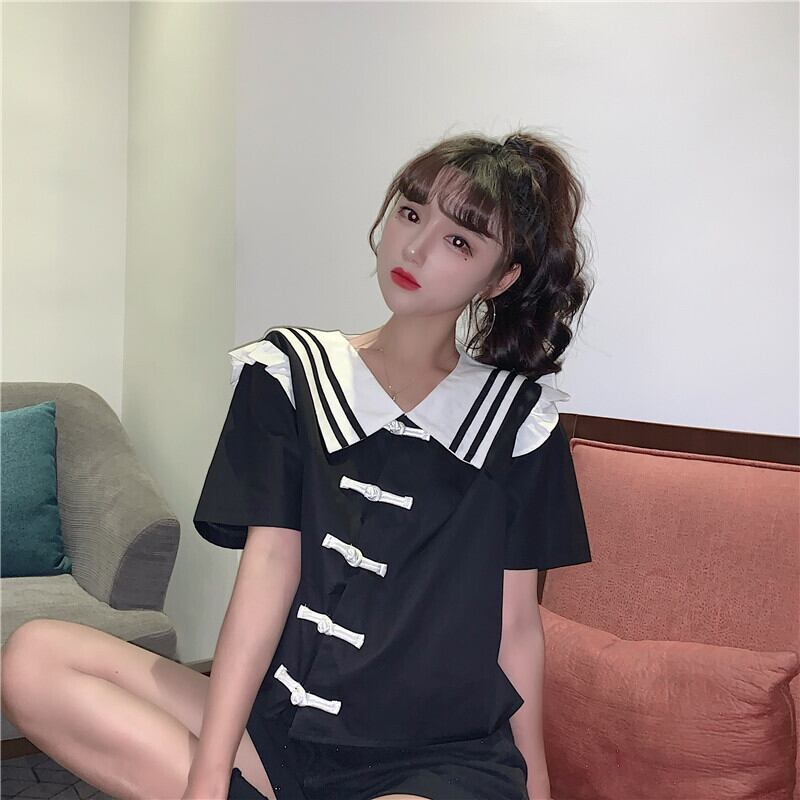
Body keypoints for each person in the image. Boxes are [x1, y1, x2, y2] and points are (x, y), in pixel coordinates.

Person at [0, 128, 593, 800]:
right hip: (281, 733)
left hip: (436, 756)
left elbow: (515, 628)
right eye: (410, 212)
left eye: (459, 241)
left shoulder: (520, 423)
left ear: (501, 278)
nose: (415, 247)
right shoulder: (290, 373)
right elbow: (267, 570)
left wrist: (537, 785)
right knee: (34, 658)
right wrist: (208, 775)